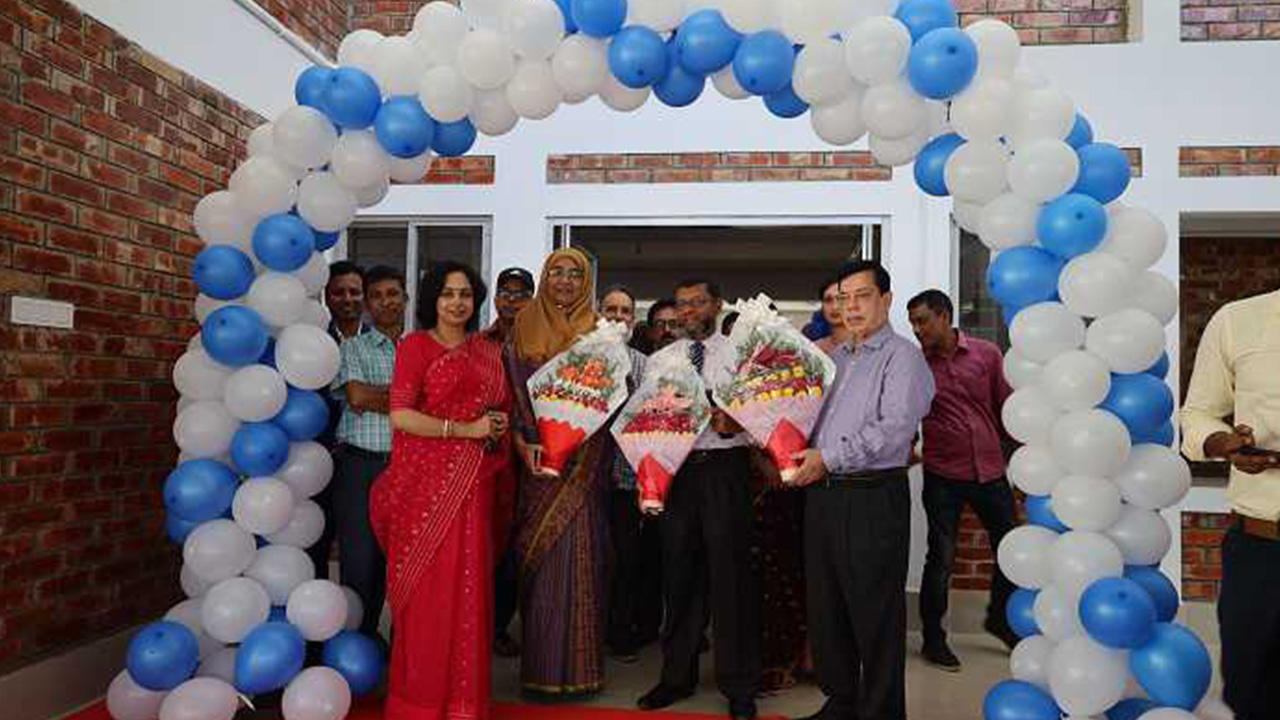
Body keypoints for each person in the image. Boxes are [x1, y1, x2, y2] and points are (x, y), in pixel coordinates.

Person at [789, 260, 935, 720]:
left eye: (862, 296)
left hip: (871, 496)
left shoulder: (903, 358)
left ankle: (881, 711)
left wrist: (827, 458)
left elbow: (893, 432)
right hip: (823, 494)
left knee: (874, 613)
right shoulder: (833, 360)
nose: (850, 307)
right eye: (842, 298)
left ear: (885, 299)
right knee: (827, 607)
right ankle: (841, 701)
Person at [371, 261, 511, 720]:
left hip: (472, 488)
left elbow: (498, 408)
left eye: (465, 294)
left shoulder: (488, 352)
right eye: (448, 293)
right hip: (423, 490)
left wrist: (495, 426)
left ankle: (463, 704)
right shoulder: (415, 346)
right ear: (433, 299)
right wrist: (466, 430)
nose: (457, 302)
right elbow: (401, 415)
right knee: (427, 595)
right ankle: (420, 703)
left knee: (468, 590)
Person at [638, 278, 761, 720]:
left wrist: (740, 424)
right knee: (679, 577)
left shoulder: (741, 354)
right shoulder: (661, 360)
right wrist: (649, 479)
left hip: (726, 470)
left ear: (717, 305)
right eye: (682, 304)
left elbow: (766, 413)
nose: (688, 310)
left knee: (732, 580)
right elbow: (646, 422)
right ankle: (676, 678)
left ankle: (740, 685)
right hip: (678, 472)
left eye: (697, 302)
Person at [506, 248, 612, 697]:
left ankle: (583, 672)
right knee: (542, 563)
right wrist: (523, 442)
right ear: (545, 278)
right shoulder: (523, 325)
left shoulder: (600, 332)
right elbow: (512, 398)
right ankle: (541, 672)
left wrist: (577, 437)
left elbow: (611, 398)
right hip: (536, 463)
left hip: (585, 465)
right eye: (556, 272)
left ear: (586, 283)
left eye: (575, 274)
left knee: (582, 558)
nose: (565, 281)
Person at [906, 289, 1020, 672]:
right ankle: (933, 638)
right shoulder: (915, 366)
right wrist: (905, 449)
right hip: (943, 476)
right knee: (941, 557)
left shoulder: (987, 355)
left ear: (944, 316)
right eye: (912, 322)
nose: (917, 329)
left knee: (1010, 551)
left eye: (922, 320)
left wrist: (1023, 458)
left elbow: (1005, 408)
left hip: (991, 471)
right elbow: (907, 415)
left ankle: (1000, 619)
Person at [1179, 287, 1280, 720]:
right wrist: (1221, 442)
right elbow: (1198, 413)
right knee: (1252, 695)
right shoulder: (1238, 320)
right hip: (1261, 551)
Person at [330, 265, 405, 636]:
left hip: (408, 470)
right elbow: (358, 397)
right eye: (376, 296)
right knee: (361, 564)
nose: (385, 302)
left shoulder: (421, 349)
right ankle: (359, 642)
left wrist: (384, 397)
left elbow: (438, 403)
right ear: (367, 305)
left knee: (404, 562)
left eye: (392, 294)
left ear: (405, 299)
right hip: (360, 468)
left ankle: (403, 648)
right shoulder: (352, 348)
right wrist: (412, 400)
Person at [598, 284, 657, 664]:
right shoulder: (580, 356)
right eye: (611, 310)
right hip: (583, 479)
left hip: (624, 478)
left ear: (633, 321)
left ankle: (621, 634)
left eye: (624, 311)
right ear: (599, 314)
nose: (618, 317)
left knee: (624, 559)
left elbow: (653, 423)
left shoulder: (645, 365)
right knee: (589, 558)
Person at [485, 267, 536, 659]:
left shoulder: (541, 344)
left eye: (521, 294)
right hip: (486, 456)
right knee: (485, 540)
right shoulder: (478, 343)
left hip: (530, 456)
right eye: (506, 292)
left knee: (518, 545)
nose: (512, 300)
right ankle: (476, 622)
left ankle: (500, 625)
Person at [314, 261, 366, 581]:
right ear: (326, 296)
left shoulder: (380, 342)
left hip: (364, 461)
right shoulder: (311, 342)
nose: (347, 299)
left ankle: (359, 611)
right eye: (339, 292)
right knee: (316, 540)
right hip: (318, 458)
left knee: (361, 549)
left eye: (354, 292)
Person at [813, 277, 853, 356]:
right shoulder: (814, 349)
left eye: (841, 299)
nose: (835, 307)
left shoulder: (869, 346)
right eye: (828, 300)